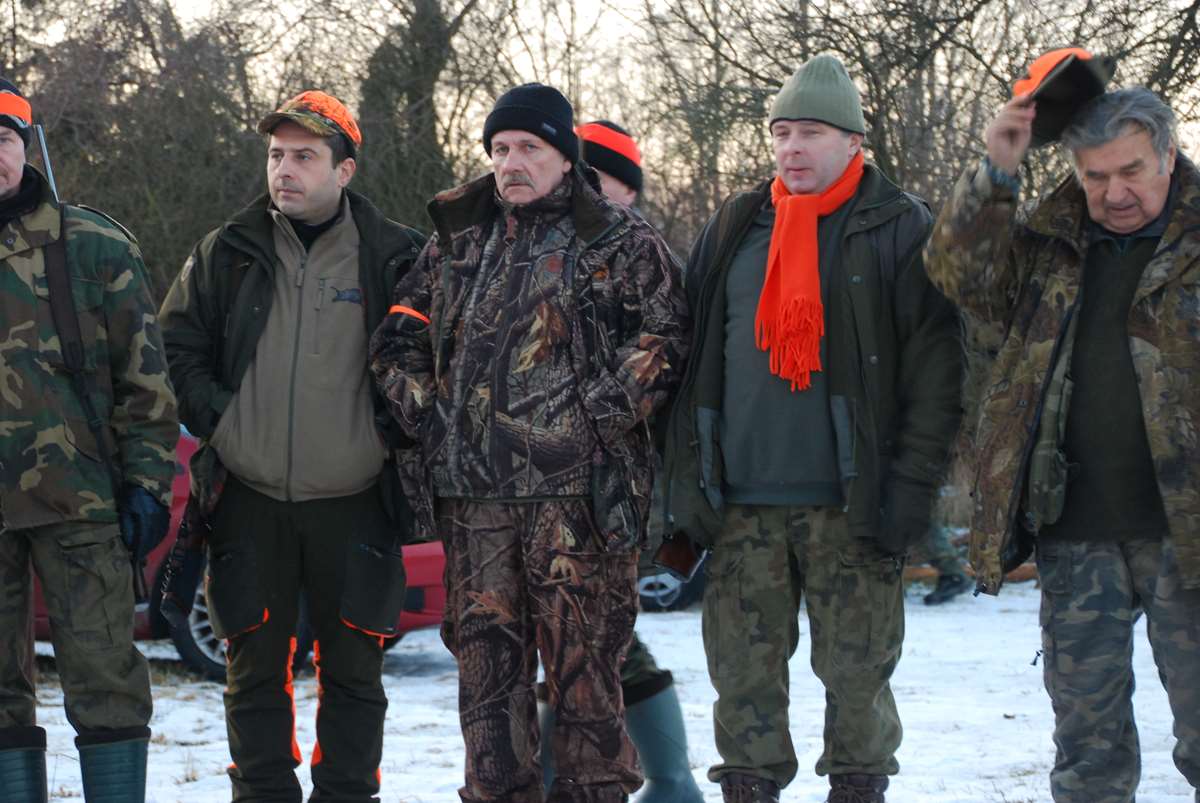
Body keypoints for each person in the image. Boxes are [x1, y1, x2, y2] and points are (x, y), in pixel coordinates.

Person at [369, 83, 690, 802]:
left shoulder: (620, 240)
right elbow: (398, 337)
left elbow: (665, 339)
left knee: (588, 698)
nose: (511, 162)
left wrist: (587, 420)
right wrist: (435, 417)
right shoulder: (456, 240)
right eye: (500, 148)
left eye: (529, 148)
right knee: (487, 704)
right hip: (474, 506)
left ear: (565, 155)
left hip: (579, 509)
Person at [662, 55, 962, 803]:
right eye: (782, 133)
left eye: (812, 133)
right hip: (740, 506)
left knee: (859, 686)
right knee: (742, 689)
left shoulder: (899, 226)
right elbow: (690, 357)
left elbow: (937, 375)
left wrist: (912, 491)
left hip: (852, 504)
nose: (792, 148)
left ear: (854, 141)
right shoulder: (737, 223)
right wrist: (686, 483)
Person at [925, 72, 1200, 802]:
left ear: (1168, 155)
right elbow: (957, 273)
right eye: (1094, 176)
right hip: (1075, 529)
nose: (1114, 192)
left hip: (1189, 533)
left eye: (1131, 171)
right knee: (1088, 749)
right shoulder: (1051, 244)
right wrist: (997, 170)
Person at [159, 90, 425, 802]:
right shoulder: (227, 251)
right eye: (277, 154)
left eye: (305, 156)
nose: (285, 169)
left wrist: (387, 436)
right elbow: (174, 346)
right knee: (252, 674)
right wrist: (224, 419)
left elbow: (434, 363)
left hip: (356, 499)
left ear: (345, 170)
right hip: (248, 498)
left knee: (354, 676)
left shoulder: (397, 256)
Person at [0, 77, 178, 801]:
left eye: (1, 139)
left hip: (82, 506)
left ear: (26, 146)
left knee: (107, 685)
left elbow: (147, 382)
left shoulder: (94, 245)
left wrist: (147, 486)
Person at [536, 119, 704, 803]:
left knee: (597, 642)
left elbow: (663, 382)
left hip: (616, 490)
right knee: (571, 643)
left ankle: (671, 783)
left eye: (594, 176)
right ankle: (666, 783)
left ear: (627, 191)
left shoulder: (646, 263)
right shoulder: (543, 256)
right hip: (547, 490)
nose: (576, 187)